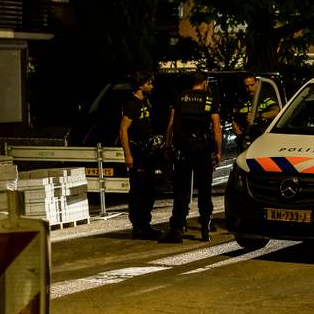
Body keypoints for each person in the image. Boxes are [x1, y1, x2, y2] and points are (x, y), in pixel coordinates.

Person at [159, 72, 222, 243]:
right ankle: (205, 227)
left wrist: (167, 145)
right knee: (204, 190)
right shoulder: (209, 99)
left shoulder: (180, 97)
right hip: (202, 149)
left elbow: (171, 124)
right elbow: (216, 127)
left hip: (184, 150)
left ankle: (177, 229)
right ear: (204, 82)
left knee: (181, 190)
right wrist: (218, 151)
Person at [119, 71, 162, 240]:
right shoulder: (132, 104)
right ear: (140, 85)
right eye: (149, 83)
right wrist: (128, 155)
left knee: (149, 190)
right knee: (138, 191)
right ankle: (138, 227)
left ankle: (146, 225)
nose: (152, 86)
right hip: (137, 154)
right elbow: (123, 130)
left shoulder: (145, 102)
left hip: (147, 153)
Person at [231, 74, 280, 140]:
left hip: (264, 136)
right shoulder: (240, 99)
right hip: (245, 138)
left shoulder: (265, 96)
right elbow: (235, 116)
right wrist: (234, 124)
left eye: (252, 85)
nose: (250, 89)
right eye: (246, 86)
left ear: (257, 83)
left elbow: (276, 112)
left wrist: (257, 115)